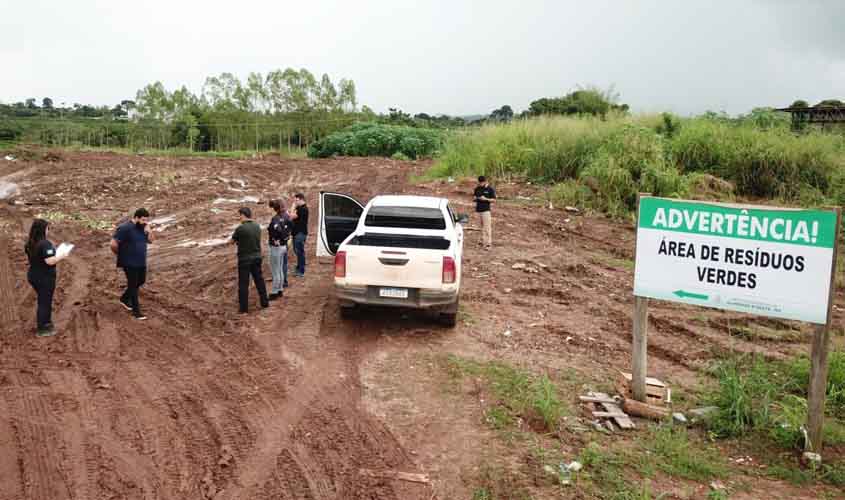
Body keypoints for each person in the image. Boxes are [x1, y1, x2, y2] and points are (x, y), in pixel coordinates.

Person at [24, 219, 68, 336]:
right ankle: (43, 328)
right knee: (45, 302)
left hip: (33, 275)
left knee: (42, 299)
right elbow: (50, 261)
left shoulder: (30, 243)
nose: (48, 231)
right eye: (48, 228)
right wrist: (61, 255)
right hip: (44, 277)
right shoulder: (45, 244)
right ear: (43, 229)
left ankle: (45, 323)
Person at [111, 208, 154, 320]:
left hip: (140, 261)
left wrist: (149, 231)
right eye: (143, 220)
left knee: (141, 281)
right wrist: (121, 255)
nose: (145, 222)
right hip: (129, 262)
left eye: (146, 220)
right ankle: (136, 312)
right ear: (136, 218)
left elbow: (151, 241)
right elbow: (113, 243)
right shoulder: (125, 228)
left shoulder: (143, 228)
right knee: (133, 285)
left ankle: (124, 298)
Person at [231, 206, 269, 313]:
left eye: (239, 215)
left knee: (243, 284)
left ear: (243, 215)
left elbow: (232, 241)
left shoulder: (240, 228)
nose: (239, 218)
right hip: (257, 257)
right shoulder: (257, 226)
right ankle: (264, 302)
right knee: (259, 280)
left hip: (244, 259)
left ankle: (244, 308)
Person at [267, 199, 292, 299]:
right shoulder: (287, 216)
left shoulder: (275, 219)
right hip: (284, 245)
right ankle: (280, 289)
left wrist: (276, 239)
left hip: (276, 246)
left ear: (274, 208)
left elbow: (276, 230)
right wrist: (286, 237)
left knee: (275, 270)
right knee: (280, 268)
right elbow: (291, 226)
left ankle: (274, 292)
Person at [289, 193, 309, 277]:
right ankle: (299, 267)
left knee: (299, 252)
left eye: (296, 200)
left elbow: (291, 216)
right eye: (294, 200)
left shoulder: (303, 209)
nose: (295, 202)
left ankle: (301, 271)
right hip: (296, 232)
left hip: (300, 233)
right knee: (297, 251)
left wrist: (293, 207)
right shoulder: (299, 208)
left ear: (301, 199)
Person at [473, 175, 497, 250]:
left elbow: (494, 200)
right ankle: (481, 242)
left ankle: (488, 244)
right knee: (479, 227)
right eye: (479, 183)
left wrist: (485, 199)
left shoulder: (490, 189)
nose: (480, 184)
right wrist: (475, 198)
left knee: (487, 227)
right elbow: (474, 197)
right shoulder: (477, 188)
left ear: (485, 181)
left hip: (486, 210)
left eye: (481, 183)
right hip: (478, 210)